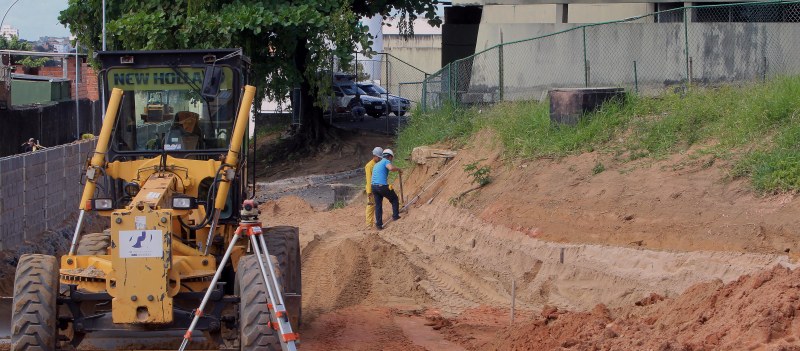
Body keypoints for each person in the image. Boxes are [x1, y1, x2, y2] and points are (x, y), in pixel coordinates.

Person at [371, 149, 402, 230]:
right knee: (394, 199)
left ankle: (379, 225)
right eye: (392, 158)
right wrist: (398, 169)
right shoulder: (386, 161)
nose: (391, 159)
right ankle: (395, 216)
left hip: (373, 187)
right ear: (389, 156)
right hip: (381, 186)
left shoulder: (376, 164)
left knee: (378, 205)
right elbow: (391, 168)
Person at [364, 146, 383, 228]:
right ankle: (369, 224)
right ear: (375, 156)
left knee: (378, 204)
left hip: (378, 187)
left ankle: (379, 221)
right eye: (379, 157)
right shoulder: (369, 166)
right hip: (372, 189)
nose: (380, 159)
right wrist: (369, 191)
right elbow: (368, 179)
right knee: (371, 206)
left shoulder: (378, 164)